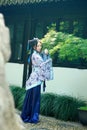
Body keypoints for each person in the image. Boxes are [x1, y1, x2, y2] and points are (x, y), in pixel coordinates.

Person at [21, 38, 53, 123]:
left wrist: (46, 55)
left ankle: (27, 115)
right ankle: (33, 117)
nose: (40, 47)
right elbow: (43, 65)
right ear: (34, 47)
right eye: (38, 46)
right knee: (35, 100)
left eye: (40, 46)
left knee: (31, 99)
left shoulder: (36, 54)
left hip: (34, 79)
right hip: (36, 80)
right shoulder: (35, 55)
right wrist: (48, 57)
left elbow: (42, 63)